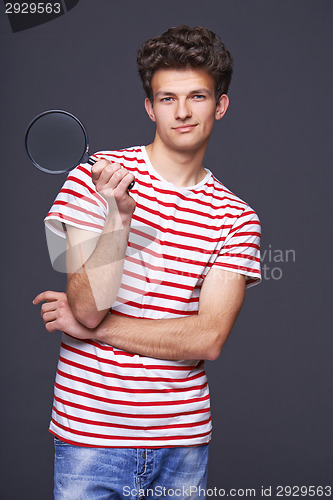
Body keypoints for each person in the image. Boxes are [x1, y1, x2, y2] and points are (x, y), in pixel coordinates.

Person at [33, 25, 261, 500]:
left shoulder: (237, 218)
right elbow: (89, 304)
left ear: (220, 105)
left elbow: (207, 338)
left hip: (182, 444)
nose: (181, 112)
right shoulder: (92, 180)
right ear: (149, 107)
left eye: (197, 96)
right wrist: (118, 217)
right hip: (89, 441)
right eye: (166, 98)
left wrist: (94, 331)